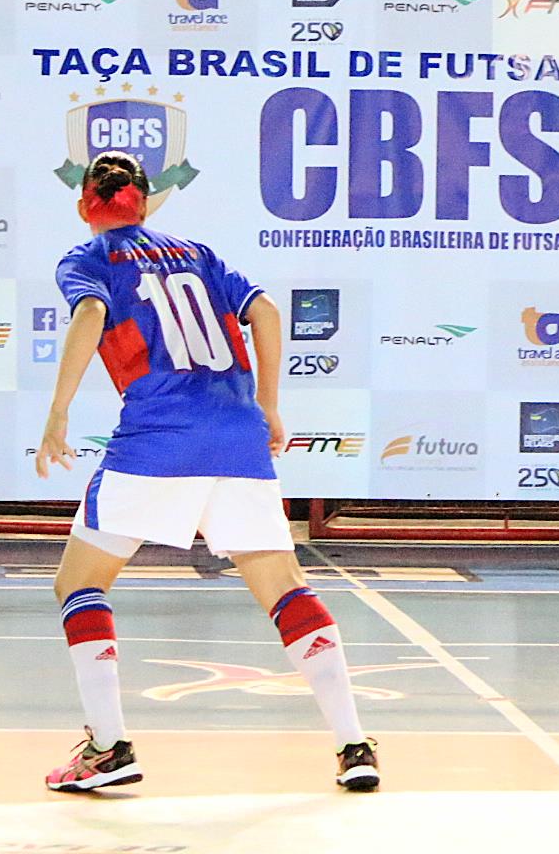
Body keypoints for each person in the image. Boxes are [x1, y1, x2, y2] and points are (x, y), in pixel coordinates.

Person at [35, 152, 378, 794]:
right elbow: (268, 312)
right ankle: (352, 744)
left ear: (87, 205)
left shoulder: (88, 260)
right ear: (146, 200)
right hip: (236, 436)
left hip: (158, 439)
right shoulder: (199, 253)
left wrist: (57, 416)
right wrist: (269, 405)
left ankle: (109, 747)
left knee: (78, 581)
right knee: (282, 585)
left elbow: (88, 317)